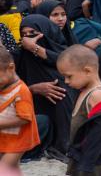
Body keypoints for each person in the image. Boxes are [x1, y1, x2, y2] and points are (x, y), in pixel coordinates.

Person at [14, 14, 78, 159]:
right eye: (24, 35)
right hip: (28, 108)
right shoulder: (18, 56)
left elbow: (67, 64)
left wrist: (36, 48)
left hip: (63, 110)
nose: (28, 39)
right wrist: (34, 89)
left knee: (62, 89)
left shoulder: (65, 52)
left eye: (33, 34)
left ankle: (64, 143)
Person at [57, 45, 101, 175]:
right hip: (81, 154)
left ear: (87, 71)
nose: (66, 81)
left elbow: (100, 133)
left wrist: (86, 165)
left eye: (69, 76)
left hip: (93, 161)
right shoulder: (83, 90)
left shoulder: (96, 95)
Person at [0, 48, 40, 173]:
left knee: (4, 169)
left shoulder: (21, 91)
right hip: (6, 137)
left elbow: (24, 118)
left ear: (11, 68)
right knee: (11, 169)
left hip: (19, 140)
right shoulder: (3, 85)